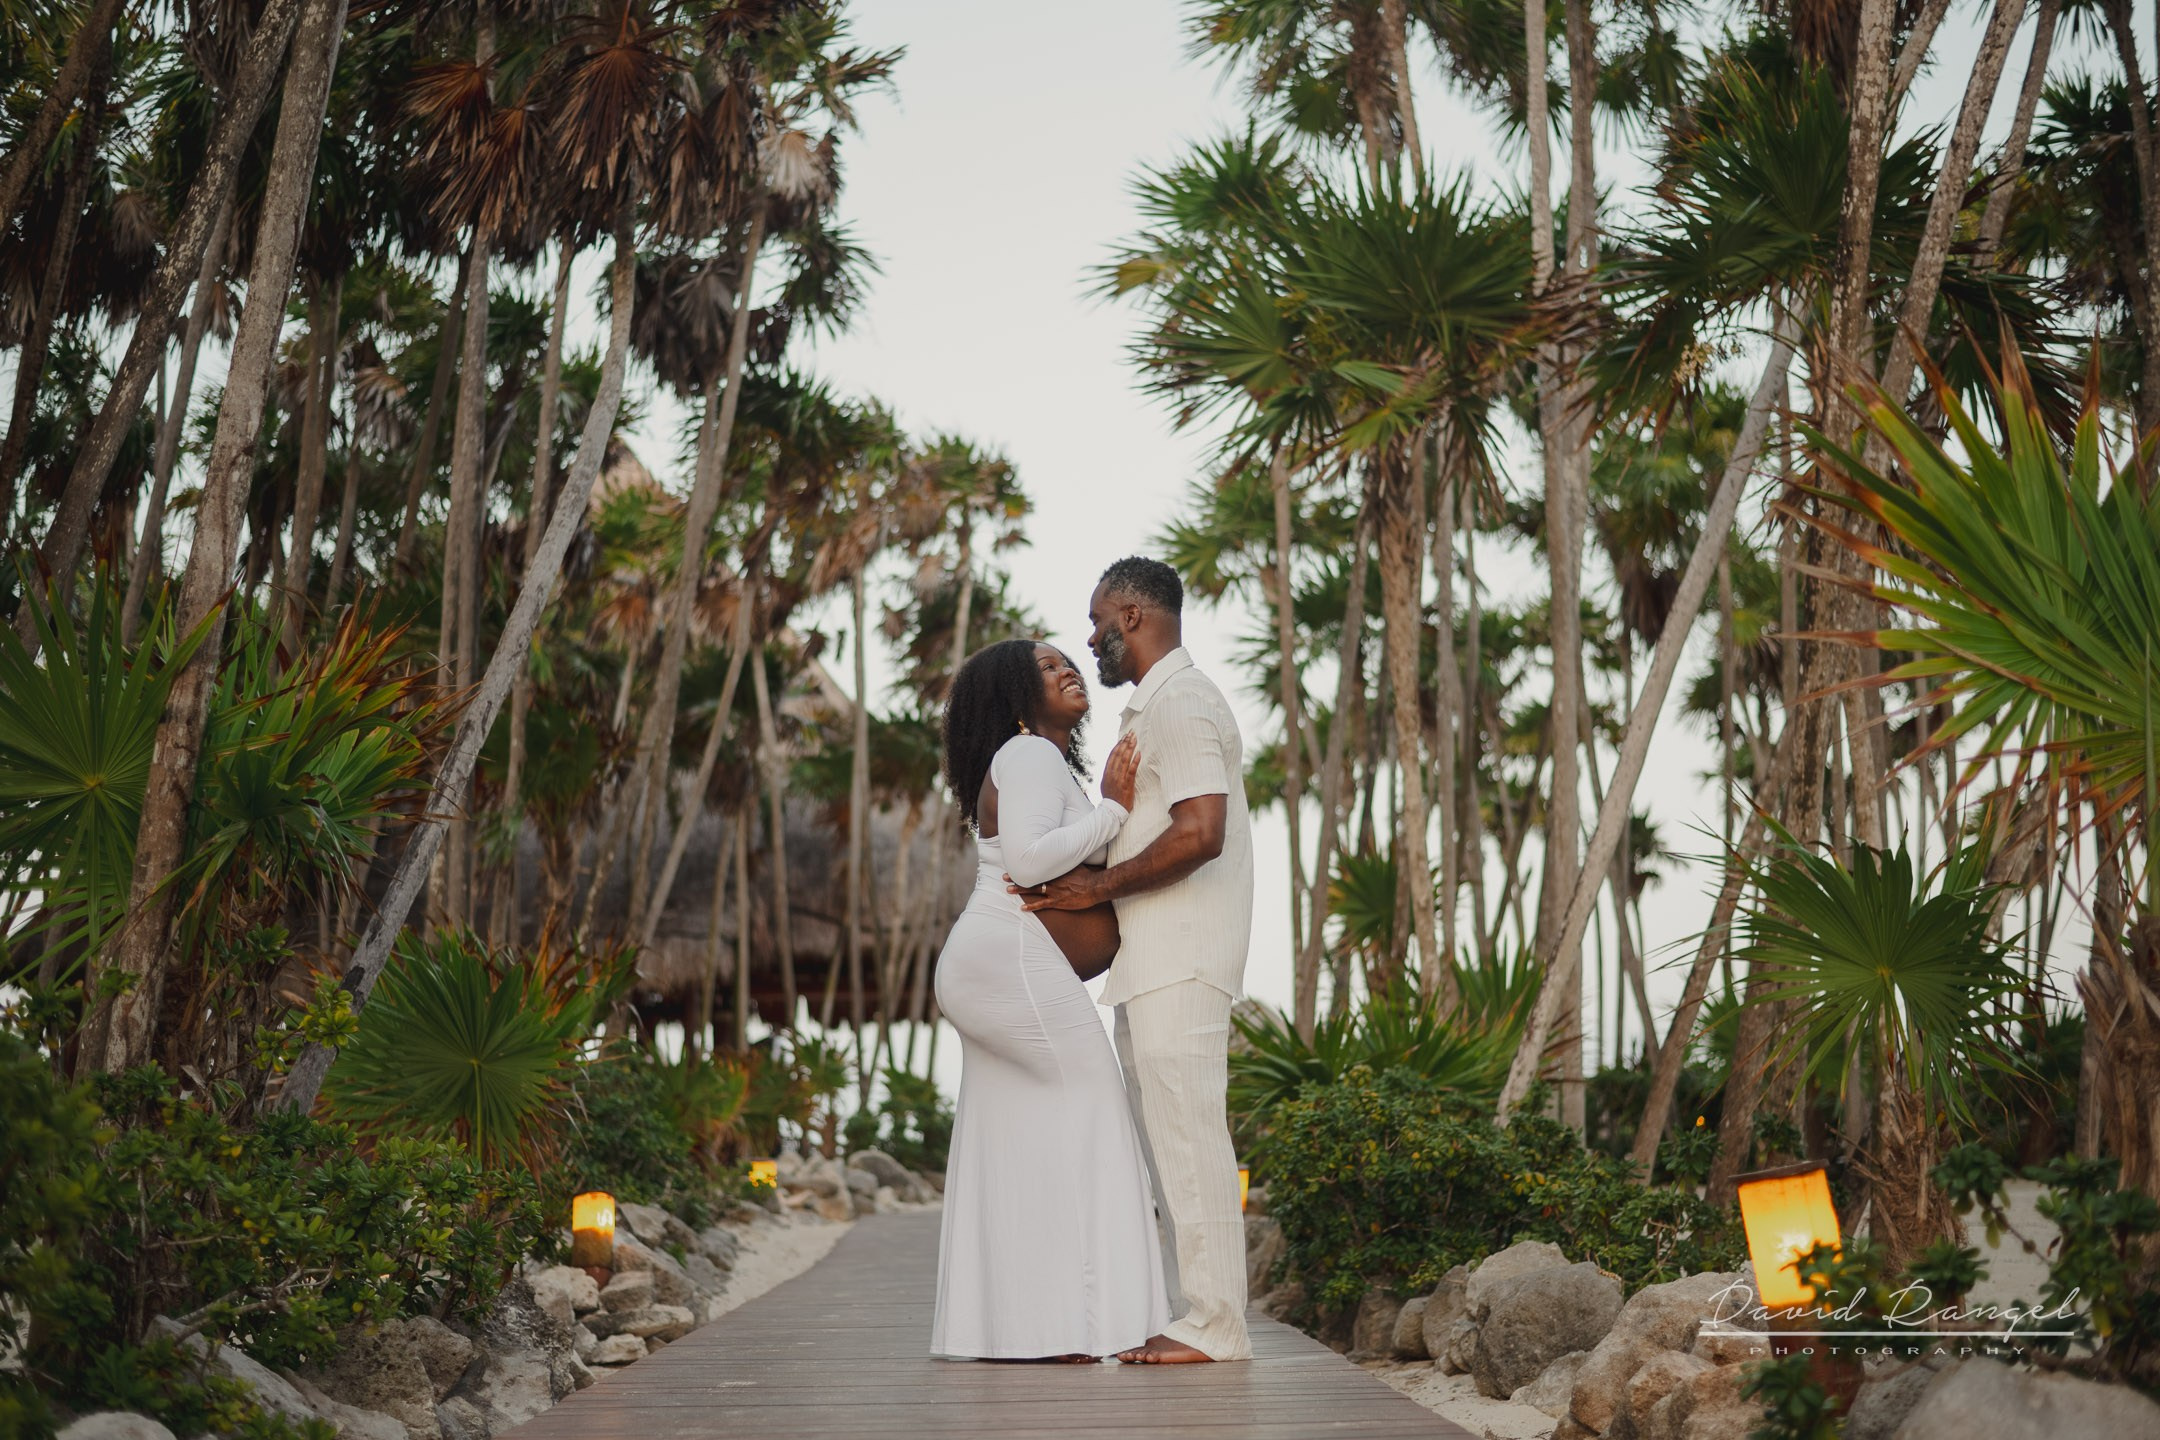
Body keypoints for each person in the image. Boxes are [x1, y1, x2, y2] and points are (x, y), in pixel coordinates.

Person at [1018, 557, 1255, 1365]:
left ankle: (1218, 1325)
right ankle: (1201, 1315)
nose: (1089, 641)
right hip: (1153, 961)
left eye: (1096, 622)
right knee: (1171, 1146)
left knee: (1191, 1141)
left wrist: (1097, 888)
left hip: (1182, 959)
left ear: (1130, 617)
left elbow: (1201, 832)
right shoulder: (1151, 712)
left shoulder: (1183, 703)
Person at [928, 637, 1170, 1362]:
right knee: (1097, 1114)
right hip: (1010, 962)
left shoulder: (1032, 760)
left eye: (1068, 658)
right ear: (1013, 696)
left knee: (1016, 1142)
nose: (1066, 667)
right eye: (1045, 666)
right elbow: (1032, 861)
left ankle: (1026, 1329)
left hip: (989, 963)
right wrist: (1113, 810)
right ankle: (1107, 1322)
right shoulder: (1029, 755)